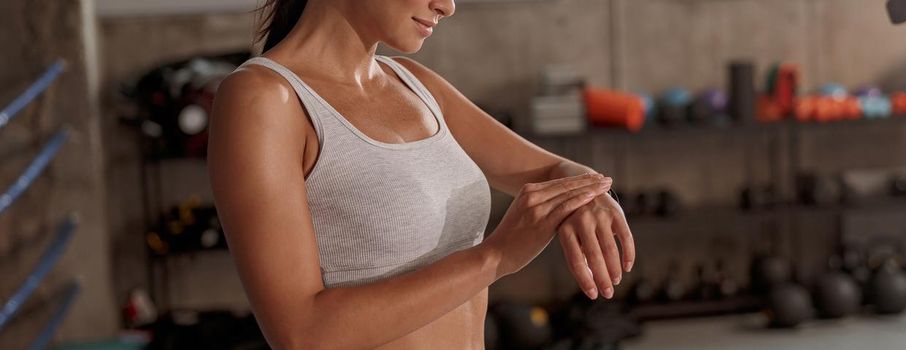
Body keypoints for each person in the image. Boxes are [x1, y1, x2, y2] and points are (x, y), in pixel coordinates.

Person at [207, 0, 636, 348]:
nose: (447, 6)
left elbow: (549, 169)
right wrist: (496, 257)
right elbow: (302, 334)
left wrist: (590, 193)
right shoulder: (264, 100)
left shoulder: (414, 83)